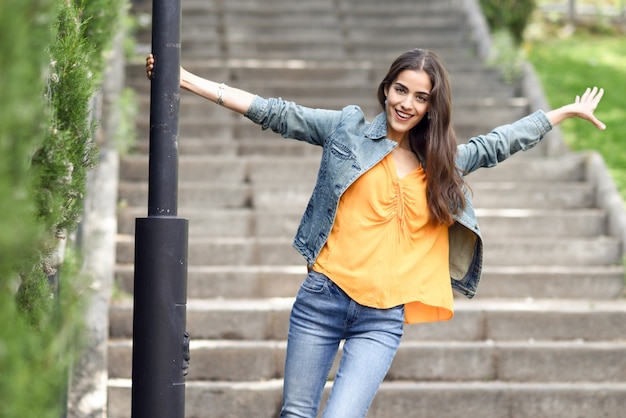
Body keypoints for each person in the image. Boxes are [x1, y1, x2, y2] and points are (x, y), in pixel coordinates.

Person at [146, 49, 605, 417]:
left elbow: (499, 143)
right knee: (297, 413)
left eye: (420, 97)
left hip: (381, 319)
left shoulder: (444, 163)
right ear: (386, 89)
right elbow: (276, 113)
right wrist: (184, 79)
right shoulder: (346, 131)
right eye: (400, 90)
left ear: (431, 106)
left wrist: (562, 112)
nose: (406, 103)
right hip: (322, 298)